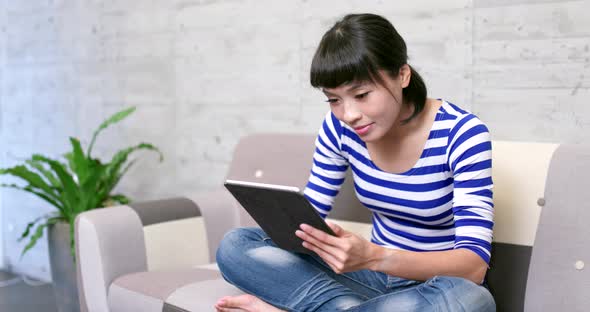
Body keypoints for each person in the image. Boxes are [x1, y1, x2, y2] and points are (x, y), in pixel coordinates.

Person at [214, 13, 495, 312]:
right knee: (236, 245)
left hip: (436, 285)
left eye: (361, 94)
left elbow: (474, 265)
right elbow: (310, 215)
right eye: (334, 100)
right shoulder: (340, 129)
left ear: (402, 74)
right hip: (371, 280)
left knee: (471, 301)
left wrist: (374, 256)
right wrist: (311, 236)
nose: (348, 114)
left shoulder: (461, 134)